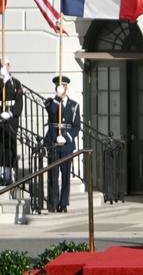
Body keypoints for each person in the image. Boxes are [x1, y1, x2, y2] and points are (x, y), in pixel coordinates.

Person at [44, 76, 81, 213]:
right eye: (59, 86)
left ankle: (63, 203)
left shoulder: (74, 105)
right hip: (53, 141)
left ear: (67, 87)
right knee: (53, 174)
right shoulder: (50, 102)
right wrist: (58, 97)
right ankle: (53, 202)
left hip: (66, 144)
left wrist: (66, 137)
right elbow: (52, 111)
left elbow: (76, 126)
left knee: (65, 174)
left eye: (64, 86)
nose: (62, 88)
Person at [0, 59, 23, 186]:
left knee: (10, 145)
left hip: (11, 119)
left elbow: (19, 103)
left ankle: (9, 174)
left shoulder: (16, 83)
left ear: (9, 66)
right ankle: (1, 173)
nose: (3, 67)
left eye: (5, 65)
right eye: (1, 65)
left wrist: (10, 113)